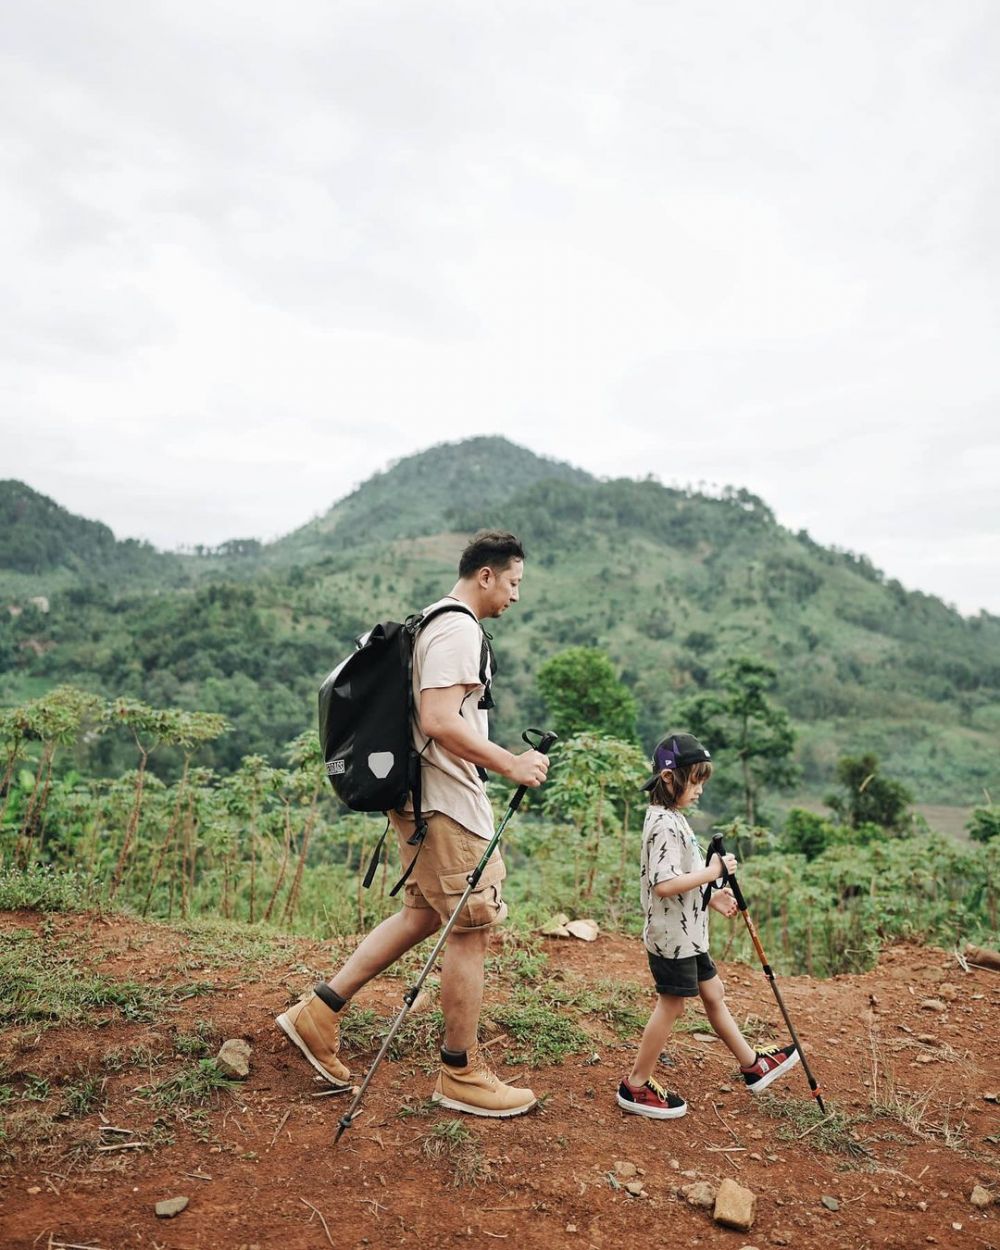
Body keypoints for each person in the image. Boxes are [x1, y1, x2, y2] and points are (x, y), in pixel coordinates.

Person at [277, 530, 549, 1118]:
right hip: (447, 803)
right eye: (513, 583)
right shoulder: (458, 628)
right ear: (486, 576)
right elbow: (438, 718)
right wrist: (511, 763)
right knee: (470, 929)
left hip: (420, 798)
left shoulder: (430, 619)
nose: (515, 596)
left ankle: (318, 1011)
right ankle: (462, 1072)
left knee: (424, 914)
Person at [617, 732, 800, 1119]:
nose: (699, 789)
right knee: (672, 1005)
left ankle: (752, 1064)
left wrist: (711, 894)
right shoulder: (664, 825)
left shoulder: (674, 819)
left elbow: (682, 876)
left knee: (713, 992)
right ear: (669, 778)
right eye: (695, 779)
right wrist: (714, 871)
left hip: (689, 934)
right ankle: (635, 1085)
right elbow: (664, 885)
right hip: (673, 938)